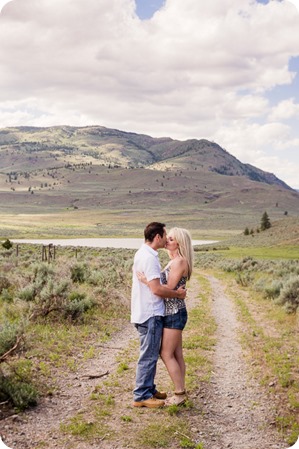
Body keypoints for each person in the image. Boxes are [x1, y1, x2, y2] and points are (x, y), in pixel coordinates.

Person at [131, 222, 187, 408]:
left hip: (171, 312)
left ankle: (174, 392)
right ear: (157, 237)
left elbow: (165, 288)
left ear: (179, 243)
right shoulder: (154, 258)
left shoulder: (174, 260)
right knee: (159, 353)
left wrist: (147, 282)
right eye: (166, 237)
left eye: (171, 239)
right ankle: (146, 393)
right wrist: (152, 283)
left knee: (165, 353)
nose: (166, 241)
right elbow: (159, 289)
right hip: (159, 312)